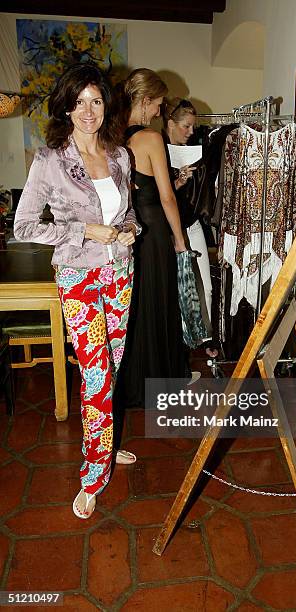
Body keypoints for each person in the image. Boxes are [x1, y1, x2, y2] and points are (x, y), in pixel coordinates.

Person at [13, 63, 139, 520]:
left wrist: (127, 231)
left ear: (108, 106)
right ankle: (92, 475)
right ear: (67, 106)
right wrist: (84, 231)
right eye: (80, 101)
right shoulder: (50, 160)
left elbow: (127, 214)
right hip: (78, 279)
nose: (89, 110)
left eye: (97, 100)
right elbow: (24, 225)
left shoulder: (121, 156)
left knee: (114, 368)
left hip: (121, 274)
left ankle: (105, 449)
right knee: (95, 376)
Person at [115, 69, 187, 410]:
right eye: (157, 105)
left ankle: (132, 385)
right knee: (159, 303)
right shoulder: (150, 139)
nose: (159, 111)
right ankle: (162, 383)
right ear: (144, 102)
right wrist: (180, 239)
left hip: (125, 234)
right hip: (155, 231)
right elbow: (167, 198)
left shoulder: (109, 136)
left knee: (135, 308)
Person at [163, 98, 217, 358]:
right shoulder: (157, 149)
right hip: (167, 230)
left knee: (205, 285)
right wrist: (177, 182)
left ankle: (203, 337)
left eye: (193, 127)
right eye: (186, 126)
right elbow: (154, 196)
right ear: (170, 124)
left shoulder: (196, 148)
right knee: (174, 289)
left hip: (192, 225)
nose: (191, 132)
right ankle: (177, 346)